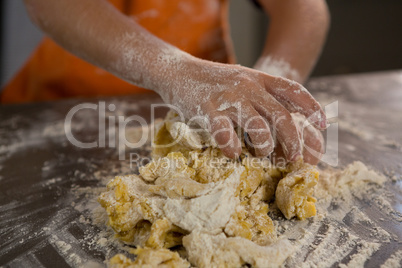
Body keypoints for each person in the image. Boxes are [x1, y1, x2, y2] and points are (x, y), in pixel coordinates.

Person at [1, 0, 330, 164]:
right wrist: (176, 71)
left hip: (212, 108)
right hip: (62, 112)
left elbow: (305, 9)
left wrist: (269, 98)